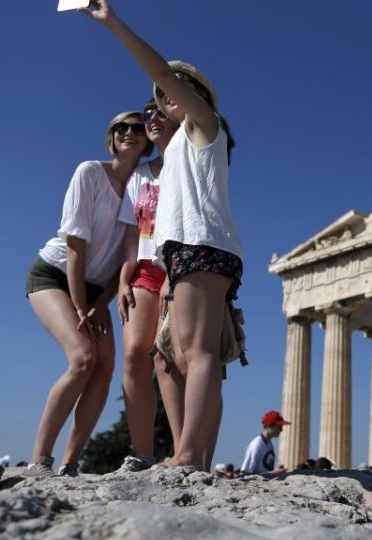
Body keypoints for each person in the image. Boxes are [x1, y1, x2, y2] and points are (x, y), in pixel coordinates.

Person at [84, 0, 244, 471]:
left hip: (202, 247)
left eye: (169, 93)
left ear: (193, 96)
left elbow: (162, 72)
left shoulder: (204, 128)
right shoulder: (175, 152)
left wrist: (111, 21)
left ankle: (190, 455)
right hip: (185, 252)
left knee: (196, 354)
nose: (160, 101)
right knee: (173, 356)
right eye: (155, 98)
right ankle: (191, 452)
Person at [23, 112, 151, 478]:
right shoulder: (89, 172)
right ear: (111, 136)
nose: (129, 132)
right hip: (55, 273)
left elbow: (126, 258)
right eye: (121, 127)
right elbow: (76, 243)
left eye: (138, 128)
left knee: (105, 366)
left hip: (97, 290)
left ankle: (70, 464)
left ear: (146, 141)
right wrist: (81, 305)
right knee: (82, 357)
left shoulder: (140, 188)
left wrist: (99, 303)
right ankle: (38, 461)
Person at [117, 99, 182, 472]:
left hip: (181, 266)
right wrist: (124, 277)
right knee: (133, 357)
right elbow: (132, 231)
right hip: (144, 268)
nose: (152, 120)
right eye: (147, 116)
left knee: (169, 359)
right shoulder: (140, 175)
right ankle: (141, 453)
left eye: (160, 112)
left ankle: (183, 450)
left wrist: (176, 272)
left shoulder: (190, 161)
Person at [241, 411, 290, 475]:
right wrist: (273, 473)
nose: (281, 430)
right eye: (280, 426)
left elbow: (264, 470)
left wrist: (276, 470)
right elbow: (246, 473)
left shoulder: (270, 444)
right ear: (271, 425)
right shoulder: (256, 445)